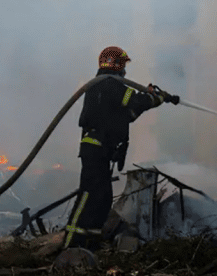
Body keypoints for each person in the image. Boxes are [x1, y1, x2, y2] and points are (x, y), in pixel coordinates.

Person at [62, 45, 180, 251]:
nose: (125, 71)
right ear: (114, 65)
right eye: (123, 66)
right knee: (89, 194)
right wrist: (155, 97)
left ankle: (90, 243)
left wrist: (153, 100)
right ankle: (71, 243)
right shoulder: (109, 84)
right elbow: (134, 100)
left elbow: (128, 115)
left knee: (103, 197)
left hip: (102, 150)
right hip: (95, 148)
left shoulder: (107, 87)